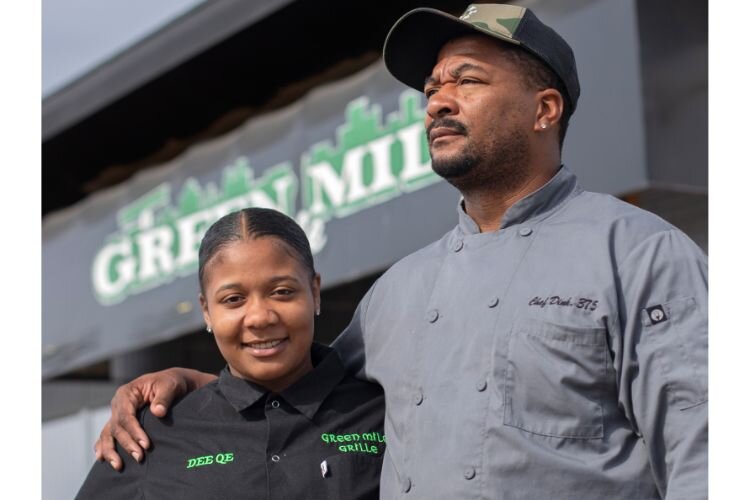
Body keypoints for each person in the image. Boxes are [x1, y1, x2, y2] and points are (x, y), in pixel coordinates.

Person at [95, 4, 707, 499]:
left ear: (544, 110)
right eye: (432, 87)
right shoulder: (398, 290)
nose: (437, 100)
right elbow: (303, 385)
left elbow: (707, 454)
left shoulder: (639, 254)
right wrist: (194, 385)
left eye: (466, 80)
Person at [78, 208, 385, 499]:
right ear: (206, 312)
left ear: (314, 292)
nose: (260, 317)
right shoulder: (152, 435)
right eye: (233, 299)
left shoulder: (386, 409)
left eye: (282, 292)